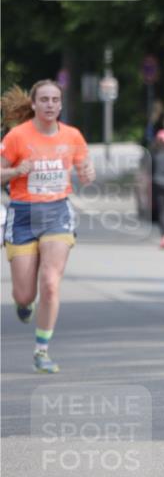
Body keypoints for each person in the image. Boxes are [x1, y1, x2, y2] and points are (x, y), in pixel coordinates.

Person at [0, 81, 95, 374]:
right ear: (33, 104)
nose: (50, 104)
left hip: (57, 213)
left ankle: (41, 351)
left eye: (55, 99)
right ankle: (24, 305)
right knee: (24, 294)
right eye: (44, 99)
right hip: (23, 214)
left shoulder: (72, 136)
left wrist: (88, 173)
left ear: (61, 104)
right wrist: (15, 171)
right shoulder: (17, 136)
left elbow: (85, 172)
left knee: (51, 283)